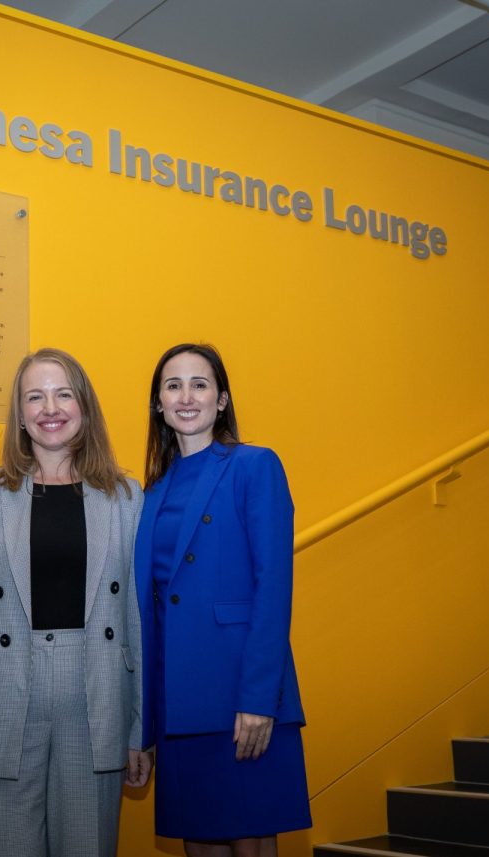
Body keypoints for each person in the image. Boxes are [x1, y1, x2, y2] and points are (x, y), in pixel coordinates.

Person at [0, 348, 150, 857]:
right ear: (20, 415)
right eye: (35, 396)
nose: (49, 407)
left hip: (95, 701)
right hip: (0, 703)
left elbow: (139, 618)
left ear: (85, 406)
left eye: (62, 394)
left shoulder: (126, 497)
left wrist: (140, 727)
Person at [135, 343, 311, 857]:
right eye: (173, 386)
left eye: (199, 384)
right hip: (176, 703)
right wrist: (142, 725)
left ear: (221, 399)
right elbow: (148, 612)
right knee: (199, 845)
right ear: (159, 405)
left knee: (250, 843)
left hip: (240, 697)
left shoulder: (255, 466)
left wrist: (260, 699)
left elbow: (273, 587)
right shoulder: (149, 492)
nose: (185, 396)